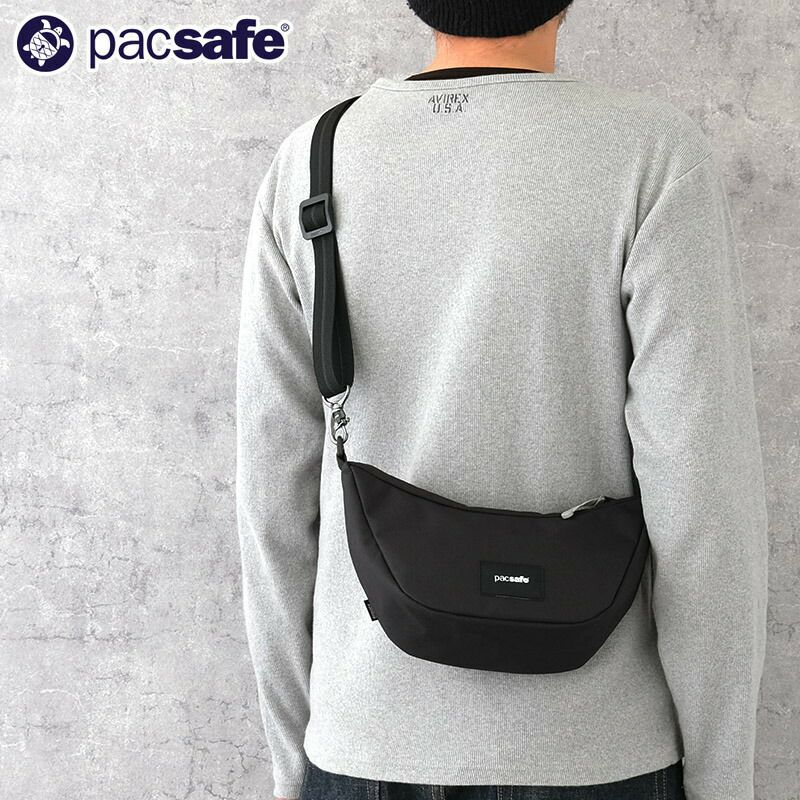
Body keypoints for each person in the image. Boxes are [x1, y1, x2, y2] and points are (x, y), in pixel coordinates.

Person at [235, 2, 769, 799]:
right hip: (596, 751)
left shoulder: (315, 161)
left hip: (363, 745)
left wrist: (299, 764)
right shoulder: (651, 155)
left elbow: (270, 506)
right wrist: (722, 782)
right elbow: (705, 510)